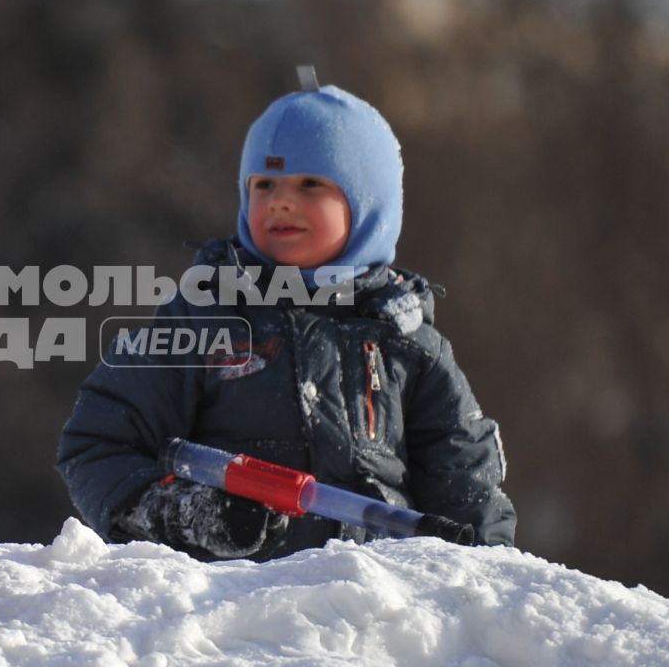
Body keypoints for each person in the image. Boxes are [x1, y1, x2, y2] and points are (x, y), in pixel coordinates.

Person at [56, 75, 515, 561]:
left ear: (368, 207)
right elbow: (98, 445)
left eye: (310, 183)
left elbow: (468, 494)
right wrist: (185, 514)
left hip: (379, 611)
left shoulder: (408, 341)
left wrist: (483, 590)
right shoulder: (201, 319)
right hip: (234, 615)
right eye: (264, 184)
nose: (279, 200)